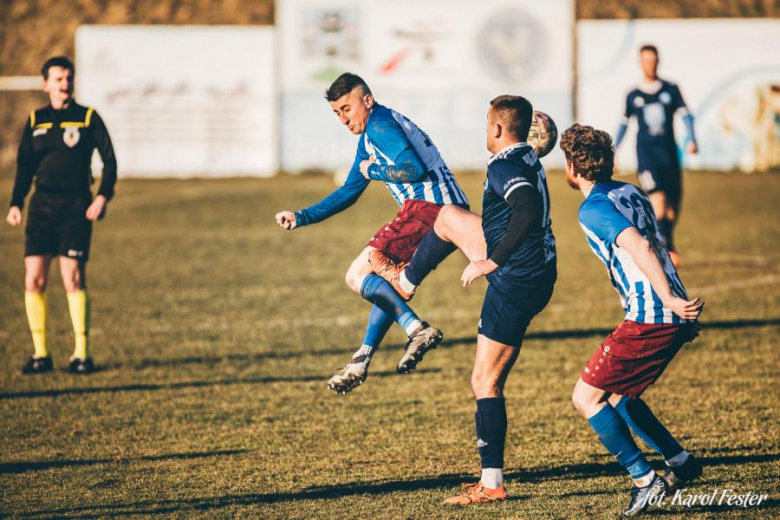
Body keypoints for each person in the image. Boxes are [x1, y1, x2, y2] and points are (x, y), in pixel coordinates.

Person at [388, 95, 557, 505]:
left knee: (485, 380)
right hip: (534, 264)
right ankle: (405, 281)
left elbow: (527, 208)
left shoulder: (506, 165)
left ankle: (492, 483)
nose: (485, 129)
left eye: (487, 123)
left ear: (497, 129)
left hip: (516, 275)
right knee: (447, 218)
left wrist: (490, 262)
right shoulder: (526, 157)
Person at [274, 73, 469, 394]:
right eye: (337, 112)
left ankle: (416, 329)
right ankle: (361, 359)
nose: (343, 119)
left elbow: (414, 168)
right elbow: (349, 191)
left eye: (347, 108)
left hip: (430, 208)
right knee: (390, 284)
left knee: (358, 273)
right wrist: (302, 216)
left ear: (367, 100)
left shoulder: (379, 126)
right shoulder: (370, 136)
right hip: (444, 209)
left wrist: (375, 171)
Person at [561, 123, 704, 516]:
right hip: (665, 313)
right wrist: (677, 303)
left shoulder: (592, 208)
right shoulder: (631, 192)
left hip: (651, 315)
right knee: (621, 397)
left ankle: (644, 479)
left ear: (572, 166)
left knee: (586, 397)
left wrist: (672, 301)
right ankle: (680, 462)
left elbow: (640, 245)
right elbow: (658, 245)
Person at [6, 56, 117, 375]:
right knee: (34, 279)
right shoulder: (35, 120)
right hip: (41, 208)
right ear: (45, 84)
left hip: (75, 208)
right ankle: (41, 353)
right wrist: (17, 203)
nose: (64, 84)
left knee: (73, 277)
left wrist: (103, 197)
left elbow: (110, 161)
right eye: (58, 79)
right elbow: (24, 166)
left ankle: (82, 354)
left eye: (68, 78)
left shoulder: (88, 118)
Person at [614, 44, 698, 268]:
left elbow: (687, 115)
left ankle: (666, 243)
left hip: (669, 156)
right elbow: (624, 124)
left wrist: (692, 138)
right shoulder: (633, 95)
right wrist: (613, 150)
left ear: (658, 62)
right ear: (640, 63)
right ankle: (666, 249)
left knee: (672, 208)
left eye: (653, 60)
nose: (650, 64)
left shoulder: (671, 89)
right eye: (646, 60)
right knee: (658, 200)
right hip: (646, 157)